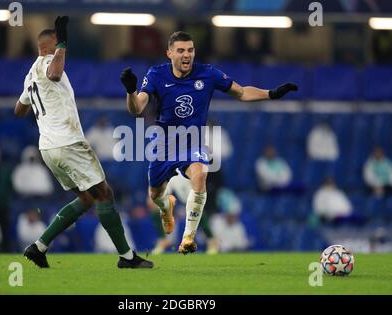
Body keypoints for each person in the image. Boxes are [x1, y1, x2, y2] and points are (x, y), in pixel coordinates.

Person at [120, 31, 297, 254]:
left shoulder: (208, 74)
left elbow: (241, 93)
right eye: (181, 50)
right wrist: (130, 91)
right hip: (163, 143)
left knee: (201, 175)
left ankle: (188, 238)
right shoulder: (156, 74)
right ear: (169, 53)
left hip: (193, 141)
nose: (187, 55)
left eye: (190, 50)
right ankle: (167, 207)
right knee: (155, 196)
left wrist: (272, 94)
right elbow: (136, 108)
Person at [14, 16, 152, 268]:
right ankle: (126, 257)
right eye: (58, 45)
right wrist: (63, 42)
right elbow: (54, 73)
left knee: (88, 199)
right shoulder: (48, 62)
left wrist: (41, 108)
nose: (62, 50)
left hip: (48, 148)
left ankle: (39, 247)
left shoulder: (29, 76)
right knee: (105, 195)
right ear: (48, 47)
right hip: (67, 143)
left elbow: (18, 110)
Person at [148, 169, 219, 254]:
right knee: (154, 204)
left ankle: (211, 239)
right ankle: (163, 240)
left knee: (195, 206)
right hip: (165, 167)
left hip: (180, 170)